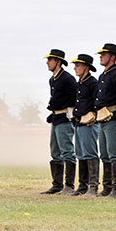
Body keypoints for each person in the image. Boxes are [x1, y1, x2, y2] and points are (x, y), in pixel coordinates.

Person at [41, 49, 77, 195]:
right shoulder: (53, 79)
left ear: (58, 62)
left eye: (50, 60)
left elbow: (74, 98)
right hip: (56, 118)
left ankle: (69, 186)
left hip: (65, 118)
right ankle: (57, 185)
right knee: (55, 152)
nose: (47, 62)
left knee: (67, 152)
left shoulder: (67, 79)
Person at [94, 43, 116, 197]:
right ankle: (107, 187)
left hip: (114, 120)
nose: (101, 57)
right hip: (102, 119)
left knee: (115, 154)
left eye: (104, 54)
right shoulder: (103, 75)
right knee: (105, 155)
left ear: (112, 57)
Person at [70, 53, 99, 196]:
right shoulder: (80, 83)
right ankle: (82, 186)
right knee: (80, 154)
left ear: (86, 67)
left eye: (78, 65)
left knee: (90, 153)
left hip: (89, 123)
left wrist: (93, 115)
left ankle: (93, 186)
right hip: (79, 122)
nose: (75, 68)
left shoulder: (93, 83)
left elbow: (97, 102)